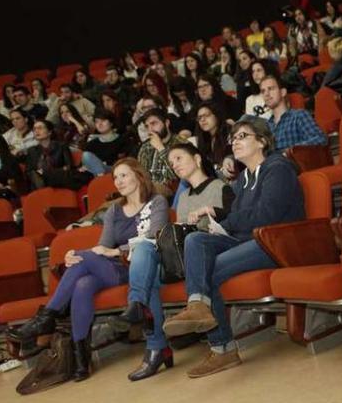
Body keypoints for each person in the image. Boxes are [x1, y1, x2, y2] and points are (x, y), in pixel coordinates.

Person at [162, 118, 305, 378]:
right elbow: (237, 214)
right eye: (233, 138)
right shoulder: (243, 178)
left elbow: (266, 215)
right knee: (196, 240)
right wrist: (219, 222)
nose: (235, 142)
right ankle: (197, 305)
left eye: (242, 136)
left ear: (261, 141)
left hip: (277, 241)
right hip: (248, 240)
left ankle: (222, 348)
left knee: (209, 270)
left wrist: (225, 223)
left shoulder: (278, 168)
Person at [10, 158, 169, 381]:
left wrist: (114, 252)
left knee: (82, 265)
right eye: (115, 177)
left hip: (144, 266)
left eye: (123, 175)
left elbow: (156, 237)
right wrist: (77, 255)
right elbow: (102, 246)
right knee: (83, 281)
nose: (118, 181)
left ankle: (48, 317)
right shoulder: (115, 210)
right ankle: (80, 360)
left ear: (138, 175)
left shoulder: (157, 202)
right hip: (117, 269)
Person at [117, 143, 234, 381]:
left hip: (213, 250)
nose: (175, 165)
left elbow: (232, 223)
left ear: (198, 159)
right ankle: (144, 319)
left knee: (192, 241)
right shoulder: (182, 198)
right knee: (144, 259)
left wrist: (207, 214)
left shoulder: (219, 186)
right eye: (172, 163)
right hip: (183, 257)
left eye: (179, 158)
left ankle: (158, 344)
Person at [261, 75, 327, 155]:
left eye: (270, 89)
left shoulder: (298, 116)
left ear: (283, 92)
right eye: (263, 91)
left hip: (294, 163)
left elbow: (320, 139)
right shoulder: (265, 127)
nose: (266, 94)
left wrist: (291, 150)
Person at [25, 119, 92, 190]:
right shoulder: (32, 151)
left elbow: (68, 167)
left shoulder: (61, 146)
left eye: (40, 128)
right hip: (41, 182)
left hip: (60, 179)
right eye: (34, 129)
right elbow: (30, 171)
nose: (36, 131)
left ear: (49, 132)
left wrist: (46, 172)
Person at [135, 108, 181, 196]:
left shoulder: (181, 144)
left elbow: (177, 177)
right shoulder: (146, 147)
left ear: (167, 123)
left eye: (153, 123)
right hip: (146, 188)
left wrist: (160, 148)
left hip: (170, 189)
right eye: (147, 126)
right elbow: (141, 175)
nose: (150, 129)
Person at [81, 108, 134, 176]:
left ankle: (100, 175)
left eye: (103, 120)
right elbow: (87, 164)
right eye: (97, 122)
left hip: (115, 170)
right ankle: (100, 175)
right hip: (98, 173)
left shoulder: (122, 139)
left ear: (111, 123)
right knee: (86, 155)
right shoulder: (92, 143)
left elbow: (125, 161)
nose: (99, 124)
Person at [194, 102, 236, 179]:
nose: (202, 120)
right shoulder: (203, 140)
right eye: (199, 118)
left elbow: (235, 156)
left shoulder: (230, 132)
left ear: (217, 115)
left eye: (206, 115)